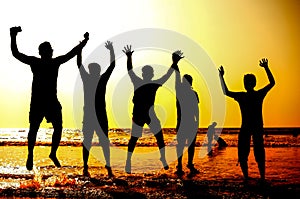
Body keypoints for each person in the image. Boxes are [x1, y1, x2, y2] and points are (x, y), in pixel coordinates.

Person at [10, 26, 88, 170]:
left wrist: (84, 42)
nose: (51, 52)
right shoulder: (37, 62)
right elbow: (16, 53)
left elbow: (71, 54)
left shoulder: (54, 62)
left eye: (51, 50)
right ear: (42, 53)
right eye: (48, 50)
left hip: (52, 101)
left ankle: (52, 153)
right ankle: (30, 154)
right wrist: (13, 36)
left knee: (58, 127)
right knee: (33, 128)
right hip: (38, 102)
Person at [122, 45, 178, 173]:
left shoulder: (154, 84)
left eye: (149, 73)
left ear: (151, 74)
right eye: (146, 73)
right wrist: (129, 57)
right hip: (138, 113)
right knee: (134, 138)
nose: (148, 74)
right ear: (144, 74)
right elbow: (130, 70)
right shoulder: (138, 81)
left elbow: (167, 75)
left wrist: (174, 63)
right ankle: (128, 161)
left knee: (159, 136)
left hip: (149, 114)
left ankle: (162, 158)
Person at [218, 58, 275, 182]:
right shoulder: (257, 94)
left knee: (245, 153)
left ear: (247, 83)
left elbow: (225, 91)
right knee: (258, 153)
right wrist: (266, 68)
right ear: (254, 83)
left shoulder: (243, 96)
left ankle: (247, 178)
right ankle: (261, 178)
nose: (245, 83)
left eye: (246, 81)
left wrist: (221, 76)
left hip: (247, 128)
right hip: (256, 127)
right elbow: (272, 83)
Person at [77, 36, 116, 177]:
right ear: (96, 71)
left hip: (95, 114)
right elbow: (80, 64)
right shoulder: (92, 79)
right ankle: (88, 166)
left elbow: (79, 64)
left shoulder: (96, 79)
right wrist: (111, 50)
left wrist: (80, 49)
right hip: (93, 114)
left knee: (99, 140)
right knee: (96, 140)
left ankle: (100, 165)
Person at [172, 51, 200, 176]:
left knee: (186, 145)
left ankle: (186, 164)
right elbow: (176, 75)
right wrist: (175, 63)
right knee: (184, 144)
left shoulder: (190, 93)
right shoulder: (182, 91)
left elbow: (196, 110)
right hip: (185, 122)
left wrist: (197, 122)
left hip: (186, 122)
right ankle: (182, 164)